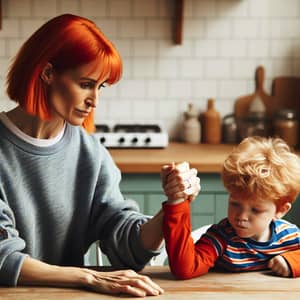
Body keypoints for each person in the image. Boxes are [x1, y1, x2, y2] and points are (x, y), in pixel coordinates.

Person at [0, 14, 201, 297]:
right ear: (47, 73)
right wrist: (89, 278)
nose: (95, 100)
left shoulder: (90, 153)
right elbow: (2, 259)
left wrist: (174, 202)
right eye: (85, 84)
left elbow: (126, 246)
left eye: (100, 86)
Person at [162, 136, 300, 279]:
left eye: (255, 210)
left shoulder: (290, 235)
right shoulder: (221, 237)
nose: (241, 216)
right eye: (235, 204)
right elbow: (185, 269)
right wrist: (177, 202)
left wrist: (293, 262)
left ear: (280, 210)